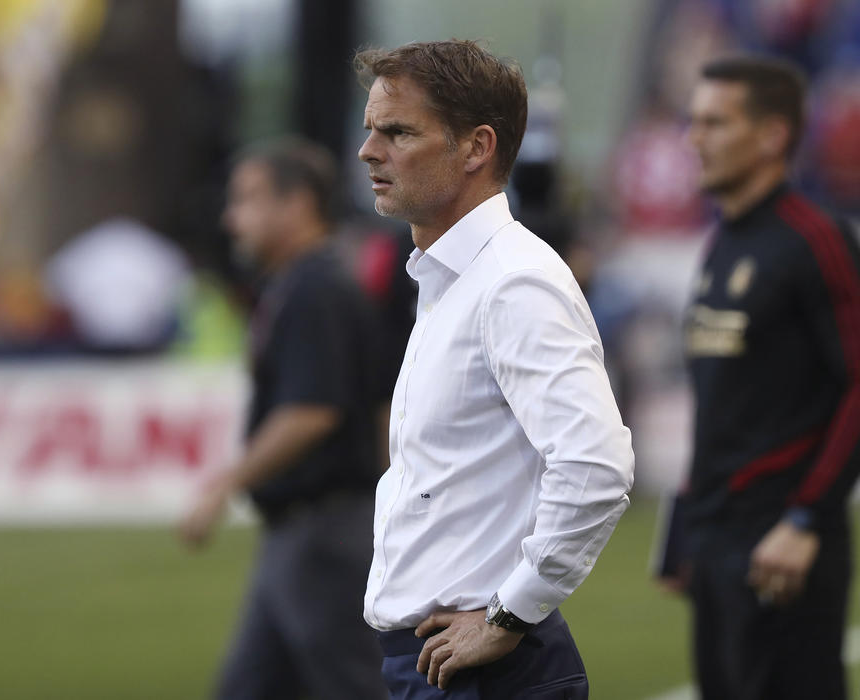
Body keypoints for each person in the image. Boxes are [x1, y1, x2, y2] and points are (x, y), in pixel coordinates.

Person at [354, 40, 635, 698]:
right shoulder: (453, 277)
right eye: (371, 130)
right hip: (442, 659)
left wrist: (512, 610)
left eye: (397, 132)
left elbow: (596, 465)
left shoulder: (513, 283)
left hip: (485, 668)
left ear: (476, 148)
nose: (369, 150)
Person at [676, 56, 860, 699]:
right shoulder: (721, 242)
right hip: (717, 538)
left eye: (714, 123)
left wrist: (806, 518)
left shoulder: (817, 238)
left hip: (782, 544)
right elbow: (719, 401)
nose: (693, 139)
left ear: (773, 135)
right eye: (693, 121)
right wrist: (685, 525)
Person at [178, 137, 388, 699]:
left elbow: (312, 411)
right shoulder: (305, 283)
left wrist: (224, 484)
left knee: (353, 686)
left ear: (296, 204)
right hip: (302, 534)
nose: (231, 218)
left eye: (246, 199)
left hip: (322, 532)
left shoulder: (314, 289)